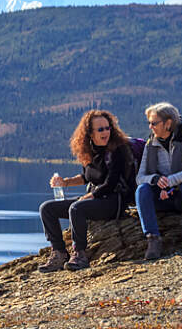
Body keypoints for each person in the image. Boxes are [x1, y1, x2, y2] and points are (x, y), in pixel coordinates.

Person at [38, 109, 135, 272]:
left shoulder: (117, 150)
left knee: (77, 208)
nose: (106, 132)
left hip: (114, 201)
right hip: (96, 198)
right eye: (100, 129)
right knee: (47, 209)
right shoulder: (89, 151)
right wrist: (65, 182)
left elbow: (110, 183)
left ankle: (80, 254)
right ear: (90, 133)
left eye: (107, 128)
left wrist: (88, 196)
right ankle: (59, 253)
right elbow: (87, 176)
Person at [135, 102, 182, 259]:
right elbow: (140, 178)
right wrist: (156, 179)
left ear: (168, 123)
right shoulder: (150, 144)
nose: (150, 127)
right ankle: (153, 239)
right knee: (142, 190)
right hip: (162, 198)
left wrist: (169, 182)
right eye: (149, 123)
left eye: (154, 123)